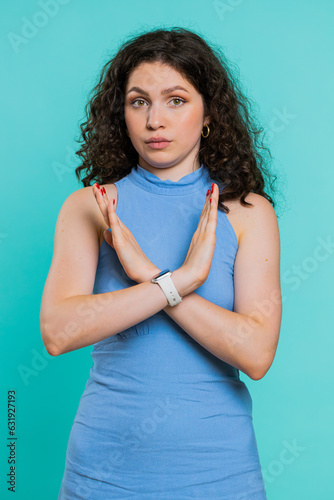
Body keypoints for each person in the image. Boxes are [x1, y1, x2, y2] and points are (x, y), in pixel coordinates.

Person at [40, 27, 282, 499]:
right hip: (103, 476)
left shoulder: (248, 211)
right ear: (121, 113)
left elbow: (255, 354)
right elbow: (57, 333)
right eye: (138, 101)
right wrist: (181, 280)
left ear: (208, 112)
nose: (155, 120)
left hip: (219, 476)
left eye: (176, 100)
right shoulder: (90, 206)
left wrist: (154, 277)